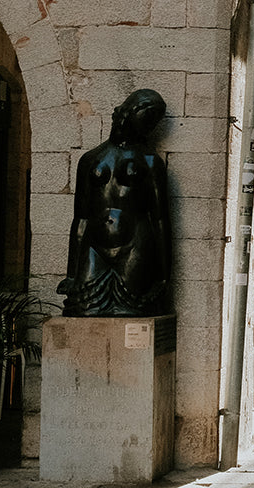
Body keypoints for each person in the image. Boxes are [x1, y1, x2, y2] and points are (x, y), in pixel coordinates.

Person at [60, 89, 172, 317]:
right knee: (82, 308)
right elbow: (80, 218)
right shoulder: (90, 159)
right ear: (129, 111)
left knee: (132, 309)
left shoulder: (150, 162)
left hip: (134, 246)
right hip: (95, 247)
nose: (149, 123)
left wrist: (163, 276)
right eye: (147, 114)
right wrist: (72, 273)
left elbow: (160, 220)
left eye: (155, 119)